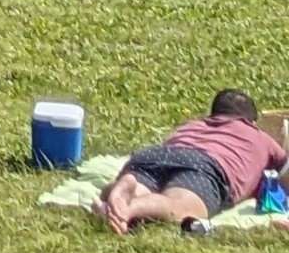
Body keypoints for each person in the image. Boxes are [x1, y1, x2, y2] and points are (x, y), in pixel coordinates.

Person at [97, 94, 277, 232]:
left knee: (148, 187)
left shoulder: (192, 125)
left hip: (155, 155)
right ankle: (130, 208)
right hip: (204, 165)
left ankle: (126, 191)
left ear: (214, 114)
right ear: (253, 122)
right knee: (178, 205)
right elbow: (285, 173)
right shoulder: (261, 138)